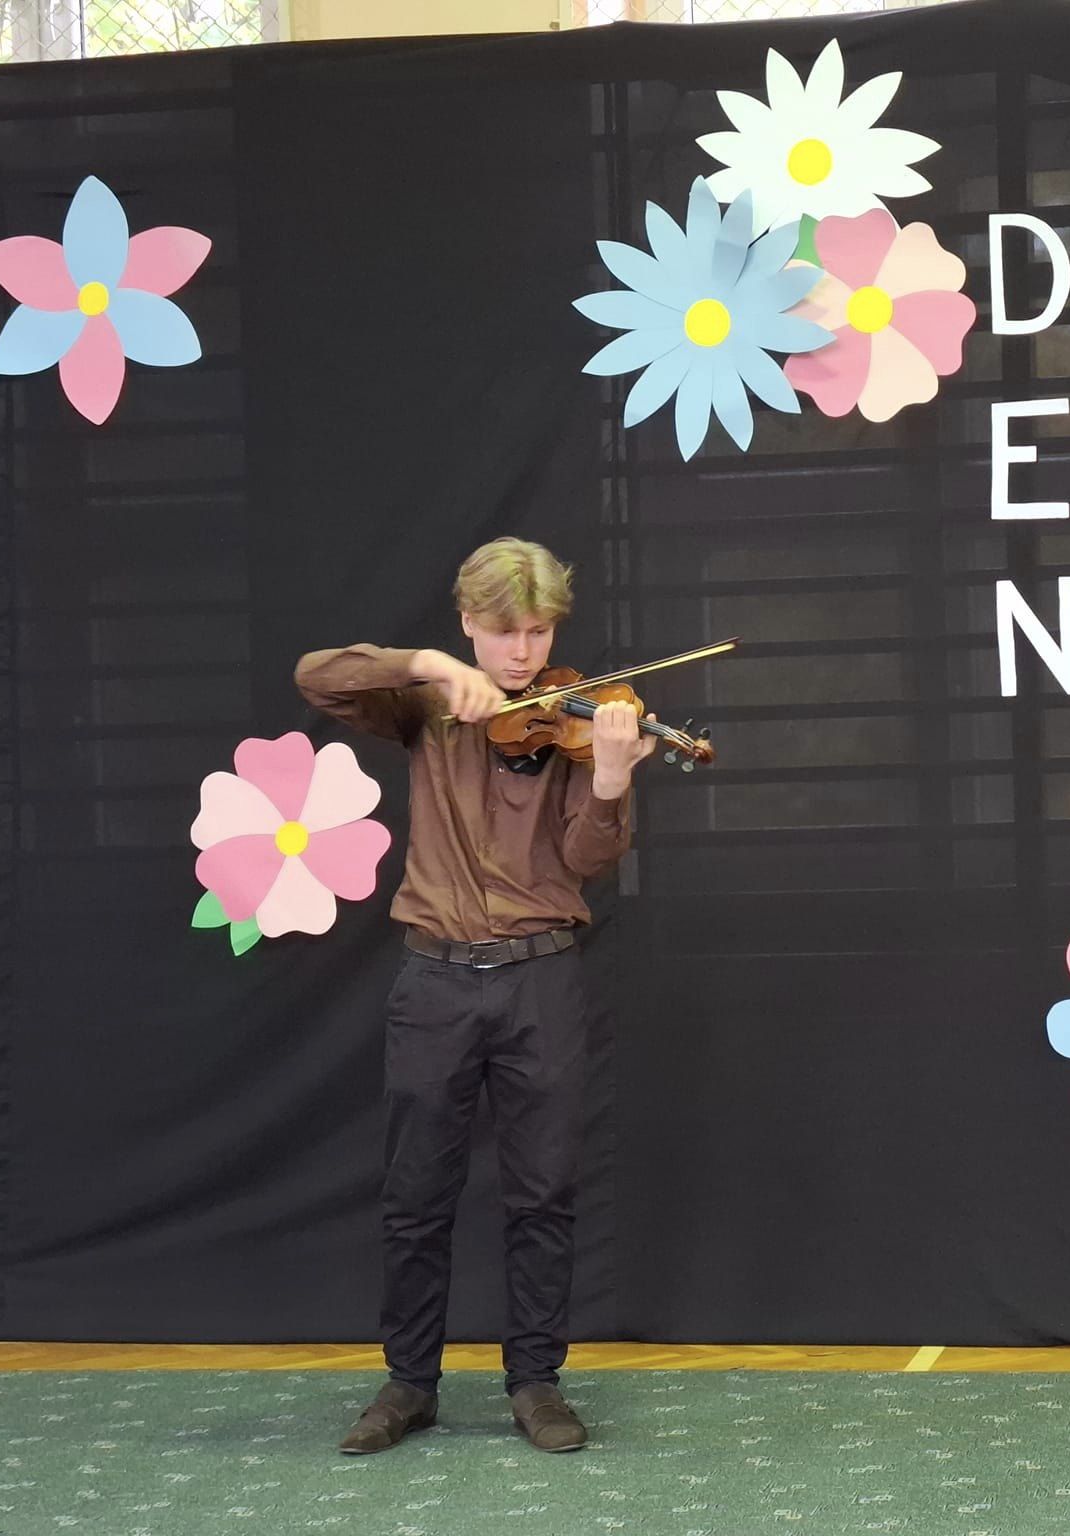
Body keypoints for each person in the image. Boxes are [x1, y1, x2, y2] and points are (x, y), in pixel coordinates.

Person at [294, 536, 655, 1456]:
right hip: (436, 980)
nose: (522, 655)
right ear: (468, 623)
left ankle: (536, 1382)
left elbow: (583, 859)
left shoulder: (579, 716)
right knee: (416, 1193)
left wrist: (611, 779)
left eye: (537, 633)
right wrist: (428, 664)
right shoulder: (426, 703)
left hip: (542, 977)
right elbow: (318, 678)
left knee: (544, 1192)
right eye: (503, 633)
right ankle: (409, 1384)